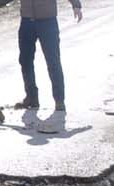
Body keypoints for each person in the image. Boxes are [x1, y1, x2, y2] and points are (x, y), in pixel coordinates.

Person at [17, 0, 83, 133]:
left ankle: (59, 101)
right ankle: (32, 98)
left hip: (47, 23)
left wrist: (76, 5)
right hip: (27, 23)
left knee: (53, 62)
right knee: (25, 61)